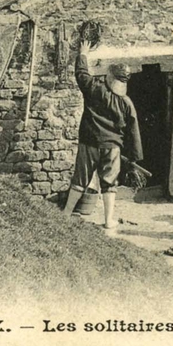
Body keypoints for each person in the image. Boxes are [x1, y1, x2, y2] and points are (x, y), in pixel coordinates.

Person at [62, 39, 143, 230]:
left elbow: (81, 74)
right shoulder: (127, 103)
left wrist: (82, 53)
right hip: (112, 148)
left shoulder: (95, 90)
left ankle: (65, 214)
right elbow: (134, 132)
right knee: (109, 183)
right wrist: (134, 158)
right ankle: (108, 221)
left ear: (110, 76)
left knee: (80, 179)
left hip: (88, 143)